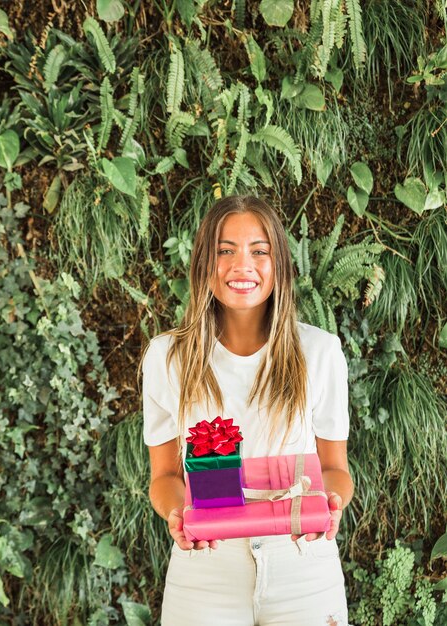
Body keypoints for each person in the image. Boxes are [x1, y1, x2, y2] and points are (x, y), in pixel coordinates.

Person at [140, 195, 354, 626]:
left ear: (280, 265)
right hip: (205, 566)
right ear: (204, 262)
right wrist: (179, 514)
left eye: (260, 251)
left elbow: (335, 469)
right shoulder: (166, 358)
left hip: (303, 559)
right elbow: (164, 478)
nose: (243, 265)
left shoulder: (320, 352)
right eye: (225, 250)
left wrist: (332, 503)